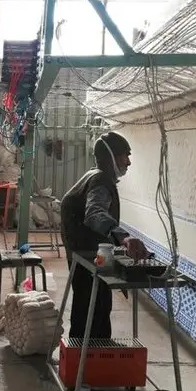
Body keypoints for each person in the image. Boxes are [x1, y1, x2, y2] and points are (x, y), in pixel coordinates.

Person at [60, 132, 149, 339]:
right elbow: (94, 213)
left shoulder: (93, 175)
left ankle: (91, 351)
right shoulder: (100, 180)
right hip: (89, 256)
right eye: (125, 156)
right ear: (110, 156)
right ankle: (87, 353)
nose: (128, 162)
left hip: (85, 253)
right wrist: (123, 236)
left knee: (92, 306)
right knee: (93, 308)